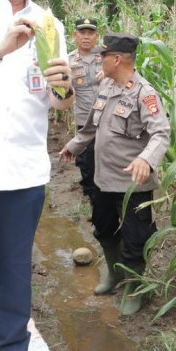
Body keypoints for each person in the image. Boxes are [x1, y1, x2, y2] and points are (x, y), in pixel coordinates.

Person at [0, 0, 74, 351]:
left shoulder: (49, 24)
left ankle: (7, 344)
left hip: (22, 166)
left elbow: (57, 101)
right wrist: (2, 48)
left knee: (12, 261)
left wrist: (63, 89)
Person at [59, 32, 170, 316]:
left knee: (135, 236)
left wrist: (146, 159)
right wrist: (74, 144)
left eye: (103, 56)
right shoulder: (106, 86)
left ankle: (135, 286)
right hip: (103, 178)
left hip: (133, 184)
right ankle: (114, 273)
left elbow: (161, 133)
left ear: (117, 59)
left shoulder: (144, 93)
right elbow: (93, 126)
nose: (99, 59)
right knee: (104, 227)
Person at [69, 17, 103, 210]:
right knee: (87, 160)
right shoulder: (68, 60)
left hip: (108, 118)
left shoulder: (108, 58)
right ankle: (91, 198)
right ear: (75, 35)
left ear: (97, 36)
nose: (86, 37)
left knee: (107, 158)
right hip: (84, 119)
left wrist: (110, 73)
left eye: (91, 33)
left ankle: (105, 197)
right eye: (82, 33)